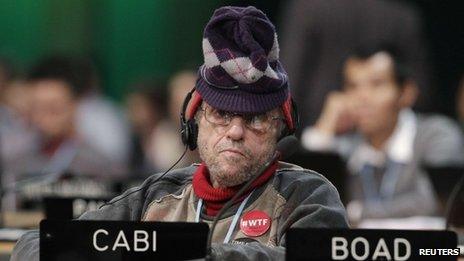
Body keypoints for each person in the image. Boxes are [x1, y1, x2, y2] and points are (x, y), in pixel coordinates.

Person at [11, 6, 348, 260]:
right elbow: (34, 245)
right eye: (221, 113)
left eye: (256, 119)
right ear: (193, 119)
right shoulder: (157, 194)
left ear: (281, 128)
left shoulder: (308, 196)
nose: (234, 131)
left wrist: (185, 250)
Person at [301, 46, 464, 222]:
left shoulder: (436, 134)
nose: (362, 97)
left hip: (424, 248)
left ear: (406, 93)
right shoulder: (346, 146)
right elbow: (308, 195)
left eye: (377, 84)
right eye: (353, 86)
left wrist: (355, 212)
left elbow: (439, 201)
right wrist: (327, 122)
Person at [280, 0, 432, 131]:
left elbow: (288, 80)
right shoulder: (402, 15)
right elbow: (421, 89)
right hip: (335, 126)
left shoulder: (308, 7)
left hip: (318, 120)